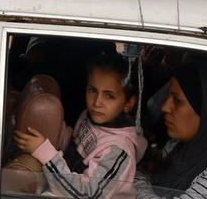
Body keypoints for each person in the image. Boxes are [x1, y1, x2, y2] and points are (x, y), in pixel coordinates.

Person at [14, 53, 146, 199]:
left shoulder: (119, 151)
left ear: (128, 104)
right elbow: (73, 145)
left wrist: (45, 153)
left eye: (109, 96)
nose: (97, 102)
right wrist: (51, 133)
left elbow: (86, 194)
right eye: (92, 90)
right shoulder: (89, 117)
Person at [134, 59, 207, 199]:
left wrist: (131, 174)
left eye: (177, 100)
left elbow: (138, 179)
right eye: (168, 97)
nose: (165, 107)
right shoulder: (177, 146)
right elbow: (151, 171)